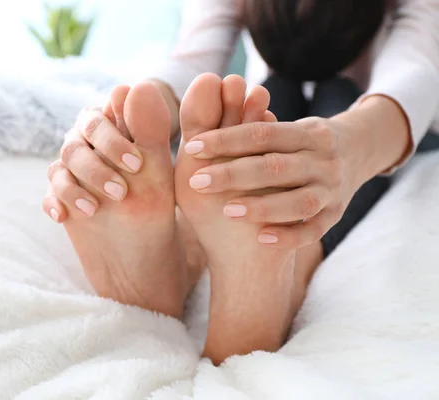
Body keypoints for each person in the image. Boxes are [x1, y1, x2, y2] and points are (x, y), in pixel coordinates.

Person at [43, 0, 439, 365]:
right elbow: (193, 58)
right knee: (264, 104)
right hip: (268, 98)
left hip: (381, 113)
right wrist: (124, 123)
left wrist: (351, 145)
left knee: (334, 104)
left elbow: (416, 69)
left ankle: (282, 264)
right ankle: (194, 252)